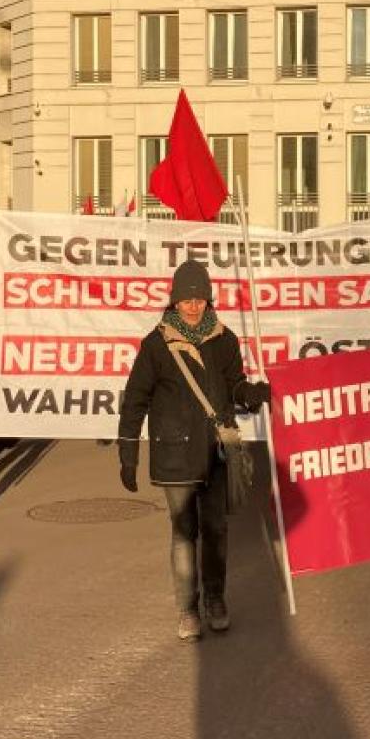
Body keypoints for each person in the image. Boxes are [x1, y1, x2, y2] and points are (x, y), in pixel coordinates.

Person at [117, 260, 270, 641]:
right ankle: (187, 608)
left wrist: (251, 394)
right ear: (174, 299)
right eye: (186, 298)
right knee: (185, 530)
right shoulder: (157, 344)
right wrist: (128, 452)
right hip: (175, 453)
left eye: (199, 297)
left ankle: (216, 599)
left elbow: (234, 386)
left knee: (216, 528)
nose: (193, 305)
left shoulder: (225, 339)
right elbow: (135, 399)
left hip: (217, 451)